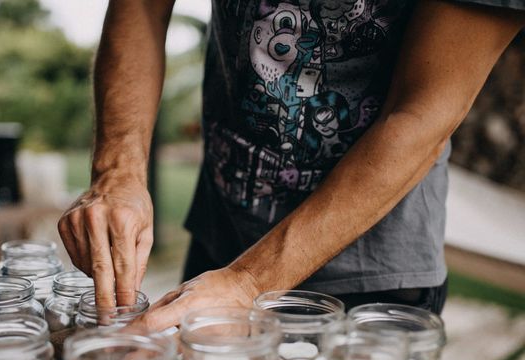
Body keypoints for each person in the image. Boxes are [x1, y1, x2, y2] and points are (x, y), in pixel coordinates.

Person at [58, 0, 525, 331]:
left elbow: (422, 114)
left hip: (370, 277)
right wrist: (116, 173)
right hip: (220, 239)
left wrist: (249, 281)